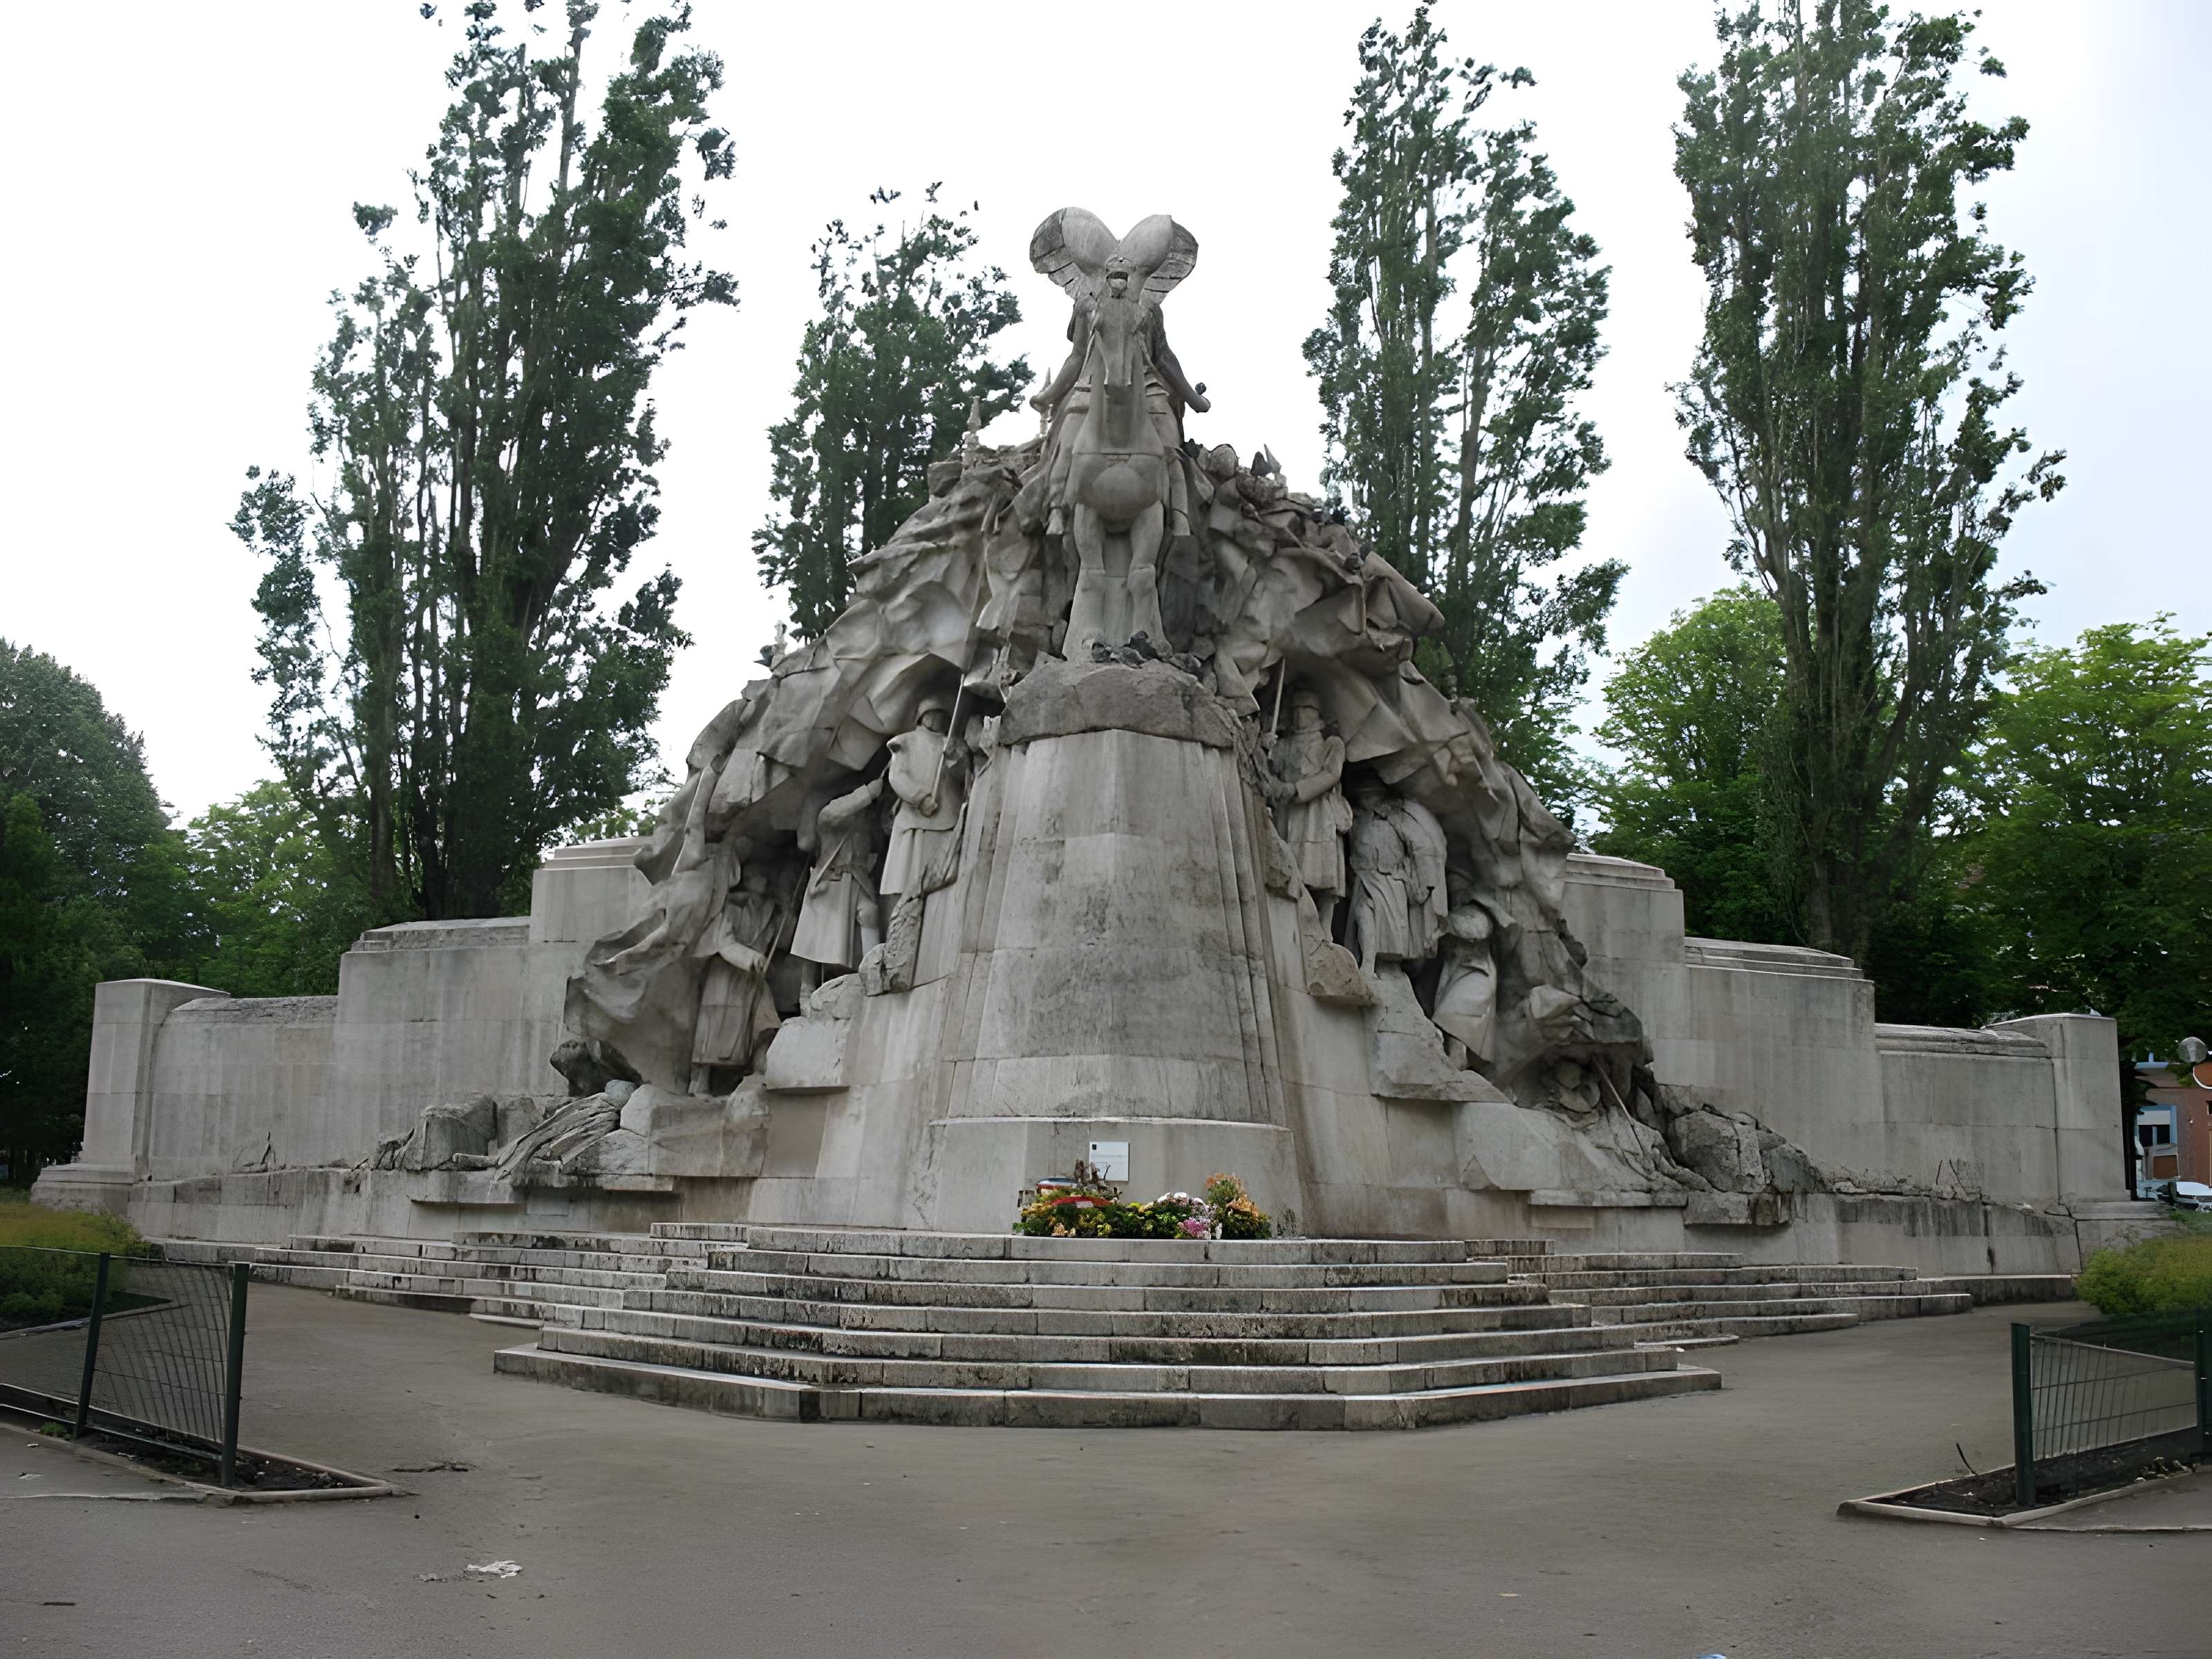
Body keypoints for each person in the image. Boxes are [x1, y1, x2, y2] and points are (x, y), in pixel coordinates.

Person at [688, 863, 782, 1096]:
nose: (764, 879)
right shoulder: (729, 907)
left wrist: (789, 909)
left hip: (753, 976)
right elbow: (723, 942)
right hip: (726, 975)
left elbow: (784, 940)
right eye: (759, 874)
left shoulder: (770, 910)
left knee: (766, 1020)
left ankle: (760, 1067)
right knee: (714, 1028)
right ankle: (699, 1082)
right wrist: (750, 957)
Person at [1266, 686, 1352, 933]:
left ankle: (1324, 930)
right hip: (1288, 813)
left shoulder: (1331, 743)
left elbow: (1331, 774)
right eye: (1295, 708)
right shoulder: (1282, 744)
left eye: (1305, 708)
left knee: (1323, 873)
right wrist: (1265, 749)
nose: (1298, 714)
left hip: (1318, 812)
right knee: (1290, 869)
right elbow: (1270, 774)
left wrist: (1296, 789)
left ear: (1317, 712)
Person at [791, 776, 885, 993]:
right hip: (829, 880)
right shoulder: (828, 820)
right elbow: (834, 812)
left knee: (870, 913)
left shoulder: (865, 824)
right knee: (813, 936)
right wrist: (867, 793)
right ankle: (806, 987)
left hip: (857, 879)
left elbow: (878, 842)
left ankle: (872, 970)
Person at [880, 693, 968, 906]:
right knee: (906, 882)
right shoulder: (905, 741)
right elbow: (897, 776)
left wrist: (957, 759)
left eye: (941, 715)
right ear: (922, 716)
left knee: (939, 883)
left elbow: (963, 778)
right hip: (914, 820)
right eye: (933, 714)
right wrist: (920, 798)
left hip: (946, 818)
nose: (937, 719)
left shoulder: (951, 744)